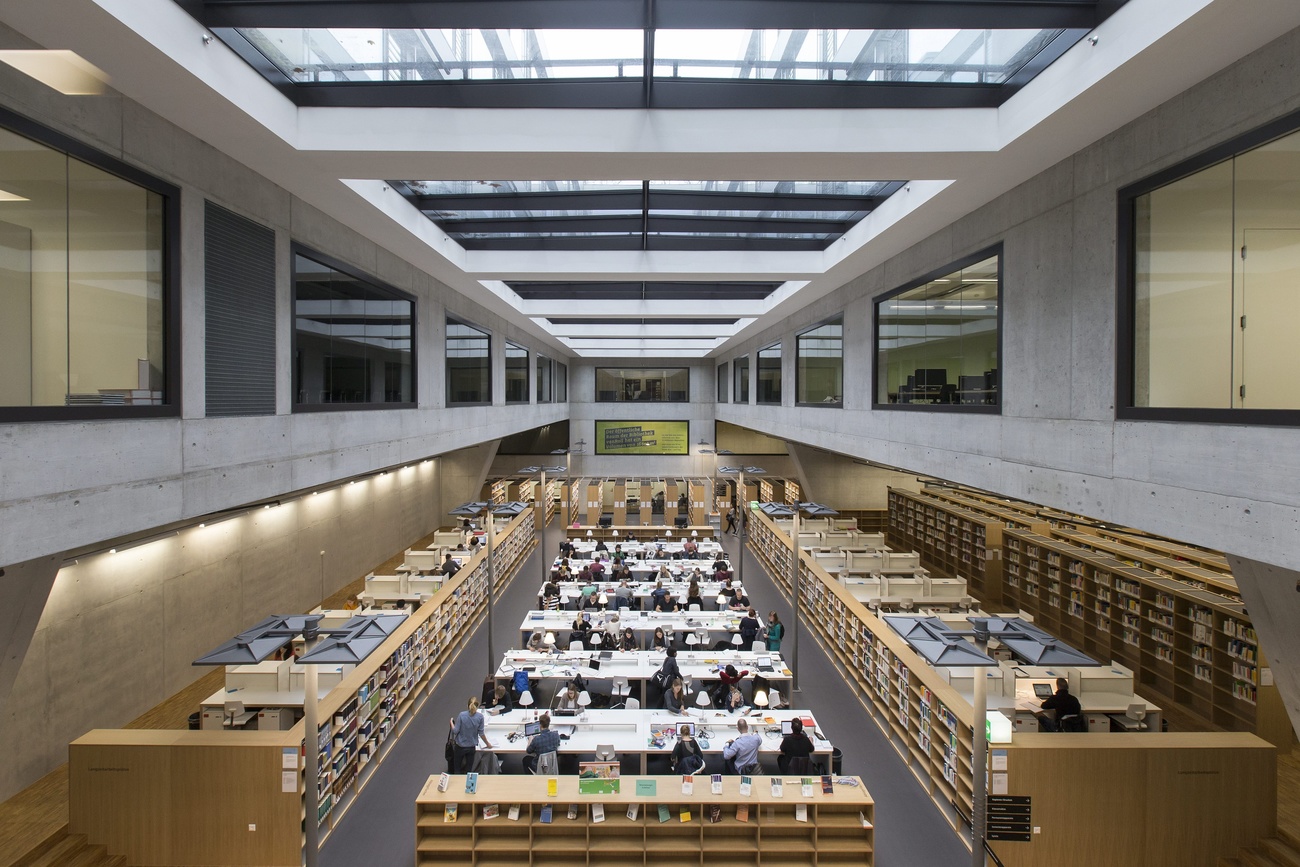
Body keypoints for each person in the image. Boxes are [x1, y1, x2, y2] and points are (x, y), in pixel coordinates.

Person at [449, 696, 492, 773]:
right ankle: (468, 784)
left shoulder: (462, 715)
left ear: (467, 705)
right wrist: (487, 744)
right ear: (477, 706)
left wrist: (451, 722)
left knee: (457, 768)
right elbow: (481, 733)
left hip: (460, 746)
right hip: (471, 747)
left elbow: (455, 731)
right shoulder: (480, 717)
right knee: (469, 769)